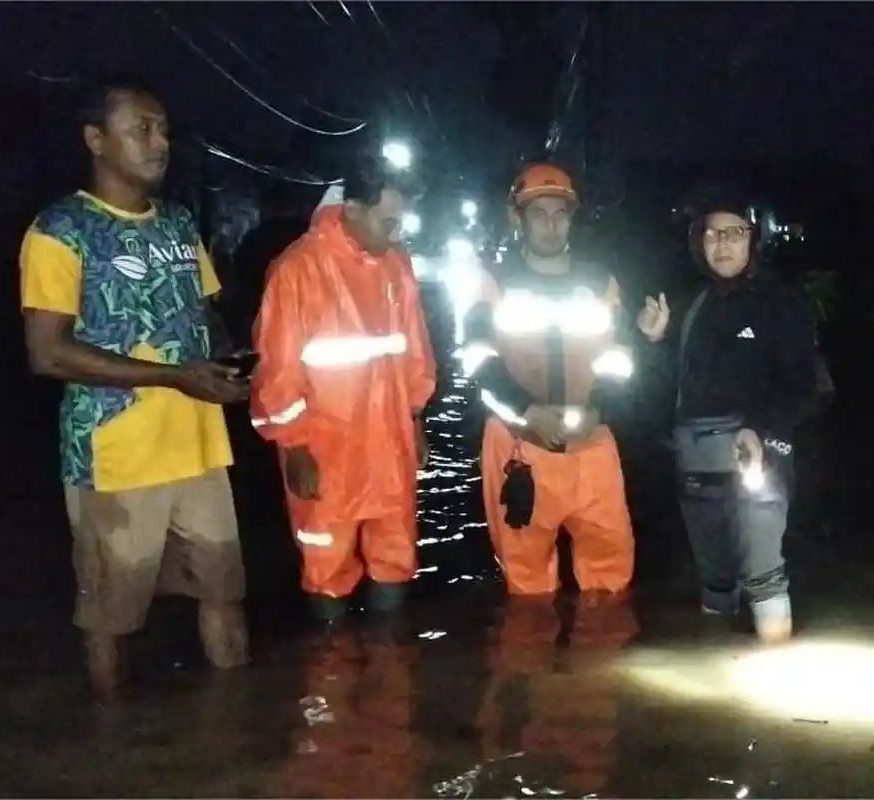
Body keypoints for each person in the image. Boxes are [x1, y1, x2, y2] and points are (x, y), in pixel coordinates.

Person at [20, 75, 251, 693]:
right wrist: (176, 375)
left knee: (225, 595)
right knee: (110, 617)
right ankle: (112, 750)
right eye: (141, 128)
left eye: (163, 130)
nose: (158, 142)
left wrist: (234, 366)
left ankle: (235, 742)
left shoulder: (177, 222)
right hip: (116, 455)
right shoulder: (60, 229)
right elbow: (48, 353)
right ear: (96, 139)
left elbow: (205, 315)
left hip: (200, 449)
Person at [250, 157, 436, 623]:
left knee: (395, 556)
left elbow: (416, 351)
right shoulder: (298, 269)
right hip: (325, 452)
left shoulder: (398, 265)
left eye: (402, 222)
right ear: (351, 207)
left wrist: (416, 419)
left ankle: (390, 676)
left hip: (391, 443)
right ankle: (328, 676)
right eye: (388, 220)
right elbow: (277, 368)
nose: (395, 233)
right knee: (325, 565)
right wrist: (292, 447)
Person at [637, 187, 819, 644]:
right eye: (711, 234)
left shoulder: (783, 302)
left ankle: (775, 674)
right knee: (714, 578)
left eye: (734, 232)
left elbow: (804, 385)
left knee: (764, 573)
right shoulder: (686, 305)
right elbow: (662, 392)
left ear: (754, 238)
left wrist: (765, 431)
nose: (721, 244)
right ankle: (718, 678)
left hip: (757, 458)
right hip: (696, 461)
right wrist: (652, 342)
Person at [456, 163, 635, 596]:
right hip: (519, 448)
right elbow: (478, 360)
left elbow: (621, 356)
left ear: (572, 219)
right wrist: (527, 410)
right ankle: (529, 662)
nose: (552, 225)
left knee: (610, 578)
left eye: (561, 214)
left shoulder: (600, 282)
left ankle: (602, 661)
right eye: (540, 214)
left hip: (591, 448)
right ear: (518, 219)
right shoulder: (491, 283)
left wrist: (601, 407)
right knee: (526, 585)